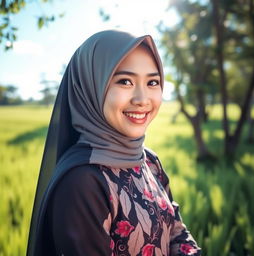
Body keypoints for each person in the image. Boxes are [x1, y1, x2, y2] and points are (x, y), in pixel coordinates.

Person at [27, 30, 201, 256]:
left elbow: (177, 231)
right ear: (91, 87)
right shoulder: (83, 181)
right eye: (125, 81)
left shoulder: (149, 161)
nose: (142, 99)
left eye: (152, 82)